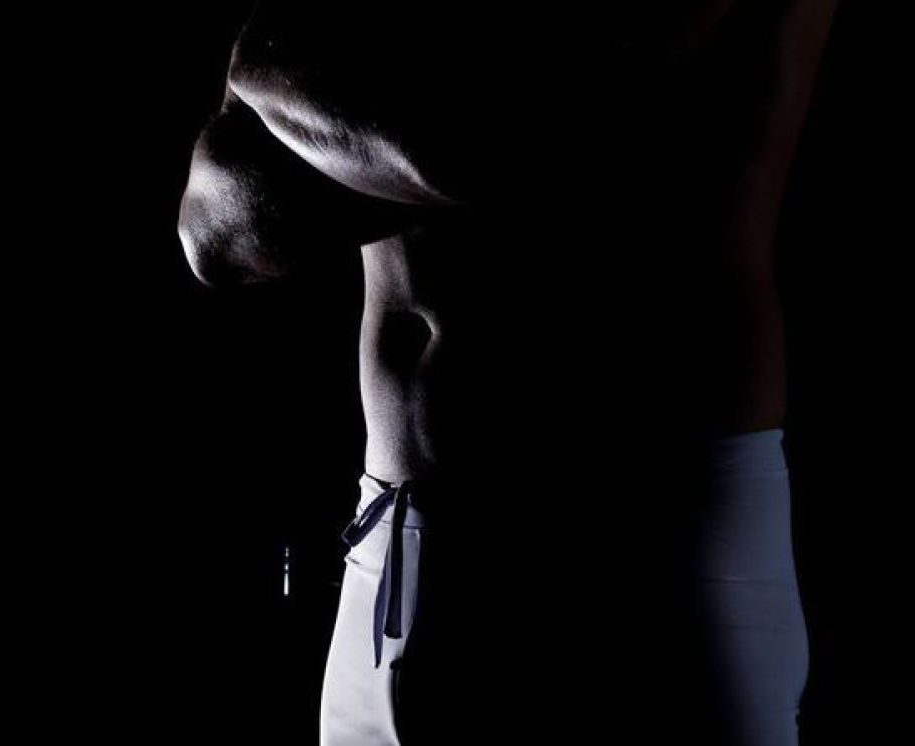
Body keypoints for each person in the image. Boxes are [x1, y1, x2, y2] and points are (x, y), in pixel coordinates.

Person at [178, 1, 839, 743]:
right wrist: (371, 128)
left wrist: (258, 62)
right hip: (387, 547)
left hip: (629, 550)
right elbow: (220, 234)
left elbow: (483, 142)